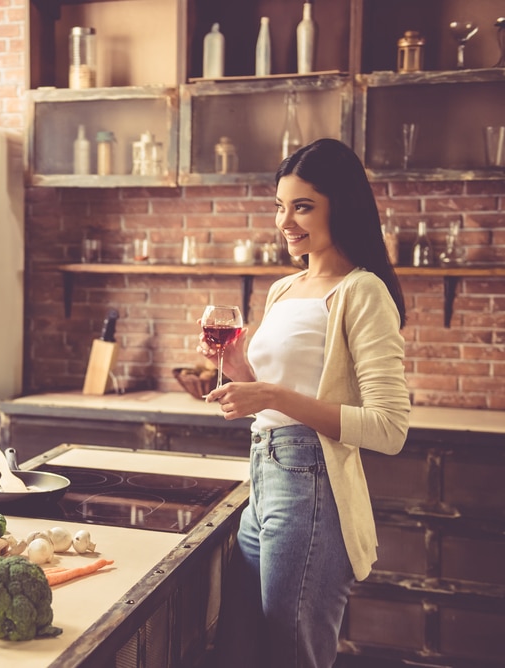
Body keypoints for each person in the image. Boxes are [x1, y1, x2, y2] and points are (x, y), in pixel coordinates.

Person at [202, 138, 410, 667]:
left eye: (302, 206)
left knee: (290, 655)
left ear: (341, 205)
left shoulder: (362, 292)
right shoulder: (284, 288)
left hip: (312, 485)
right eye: (280, 205)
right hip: (263, 478)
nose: (285, 221)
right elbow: (268, 402)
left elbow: (389, 428)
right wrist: (238, 369)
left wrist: (270, 393)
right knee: (241, 647)